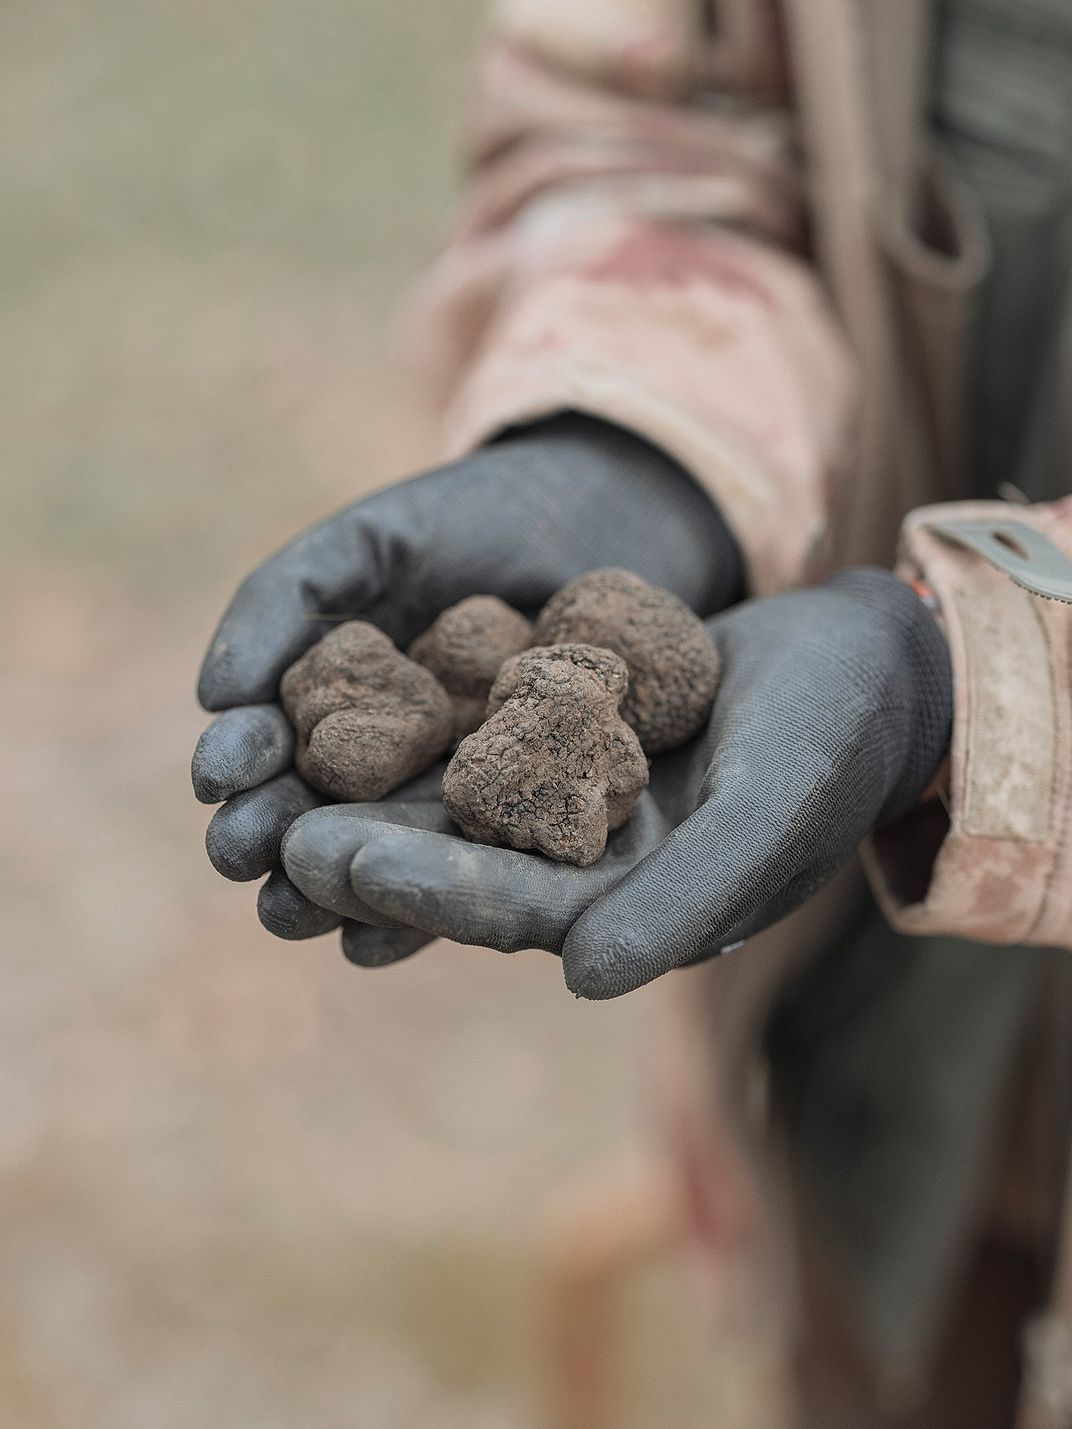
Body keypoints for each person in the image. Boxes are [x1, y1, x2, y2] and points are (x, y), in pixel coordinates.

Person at [191, 2, 1072, 1423]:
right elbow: (654, 111)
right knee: (876, 1336)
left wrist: (993, 670)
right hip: (855, 954)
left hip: (886, 708)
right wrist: (639, 427)